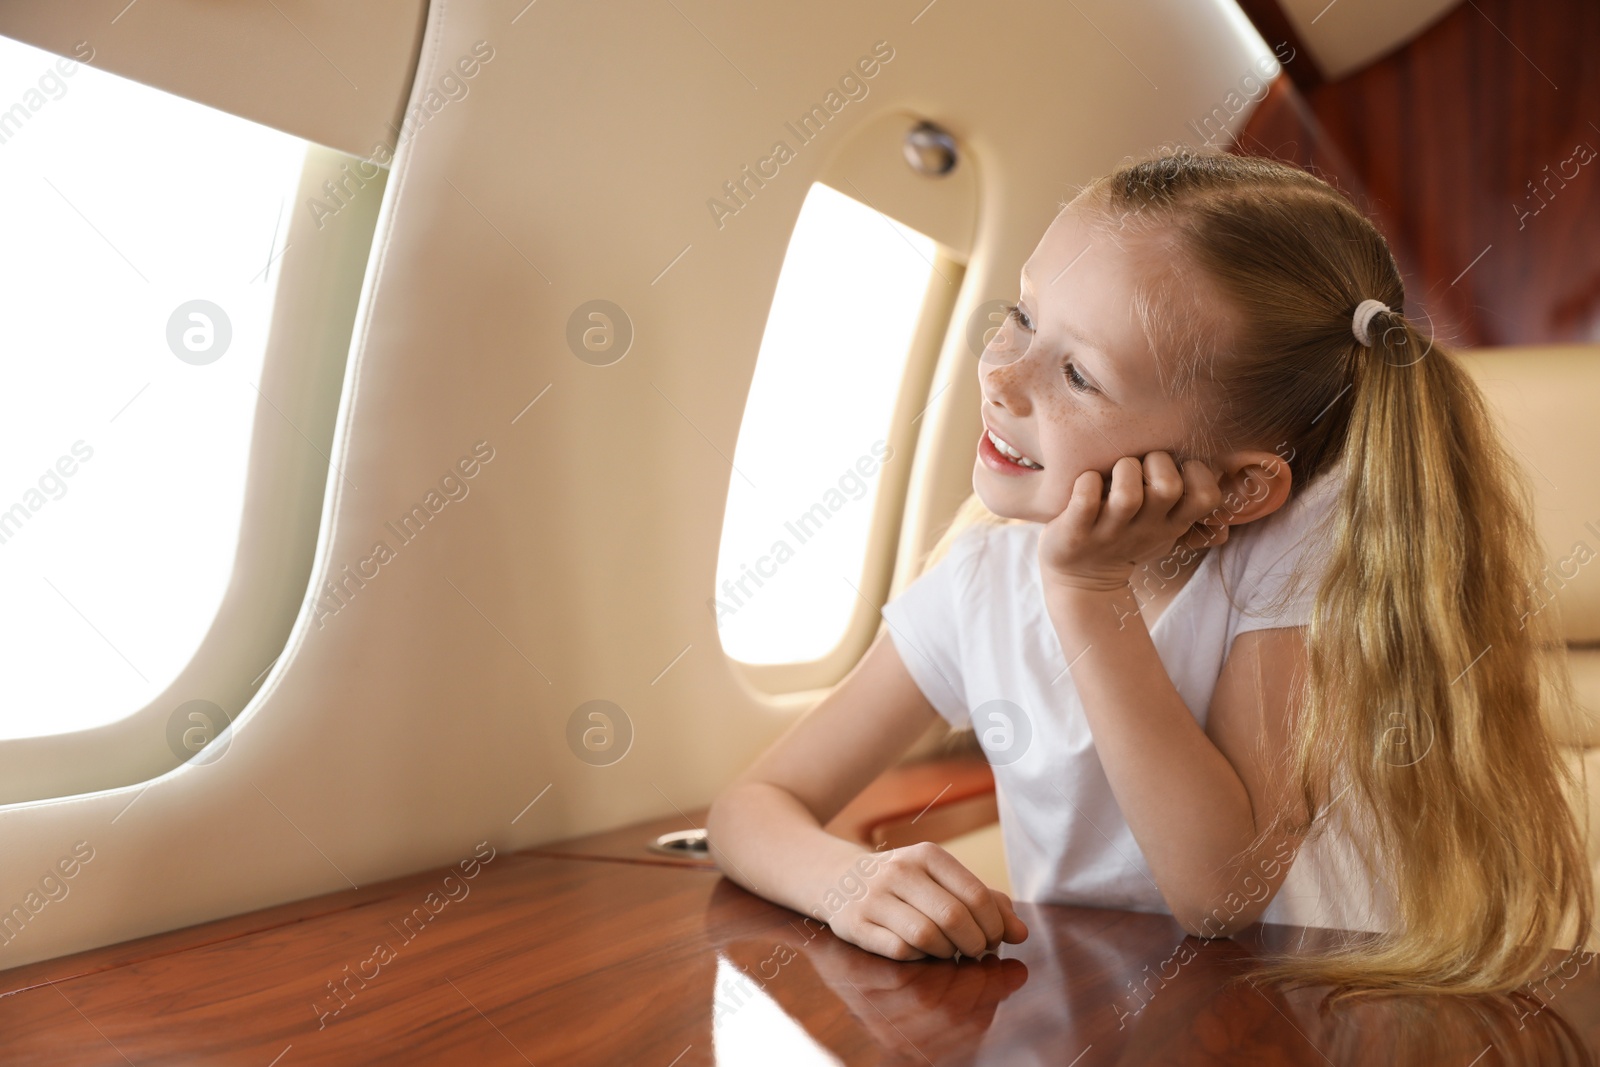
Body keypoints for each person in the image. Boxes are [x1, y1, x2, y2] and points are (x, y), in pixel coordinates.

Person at [705, 145, 1593, 999]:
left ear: (1243, 485)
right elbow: (754, 803)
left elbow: (1220, 895)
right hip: (1081, 1007)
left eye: (1079, 374)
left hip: (1297, 1008)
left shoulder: (1291, 565)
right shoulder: (981, 576)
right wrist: (846, 881)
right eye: (1020, 316)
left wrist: (1088, 597)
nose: (1003, 377)